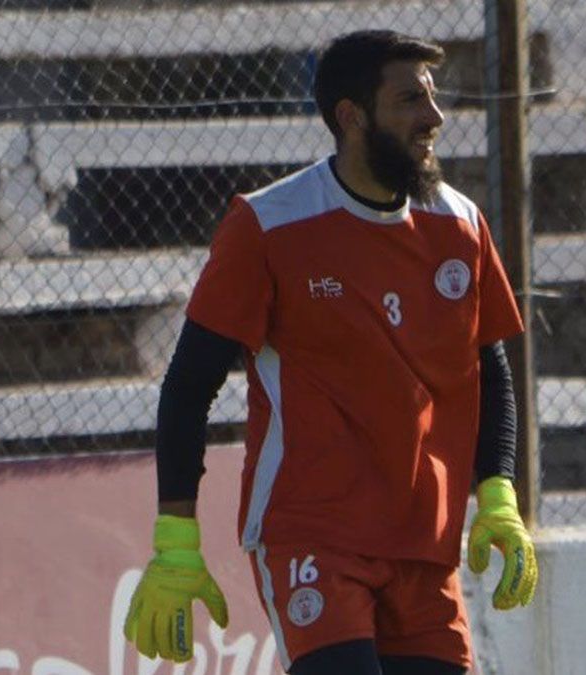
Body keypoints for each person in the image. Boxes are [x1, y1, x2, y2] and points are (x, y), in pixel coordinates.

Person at [122, 30, 537, 674]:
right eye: (410, 100)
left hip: (424, 548)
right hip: (314, 537)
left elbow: (491, 371)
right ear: (351, 117)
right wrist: (176, 538)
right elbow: (188, 384)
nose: (435, 118)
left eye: (432, 98)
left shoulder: (462, 227)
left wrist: (499, 497)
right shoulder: (268, 226)